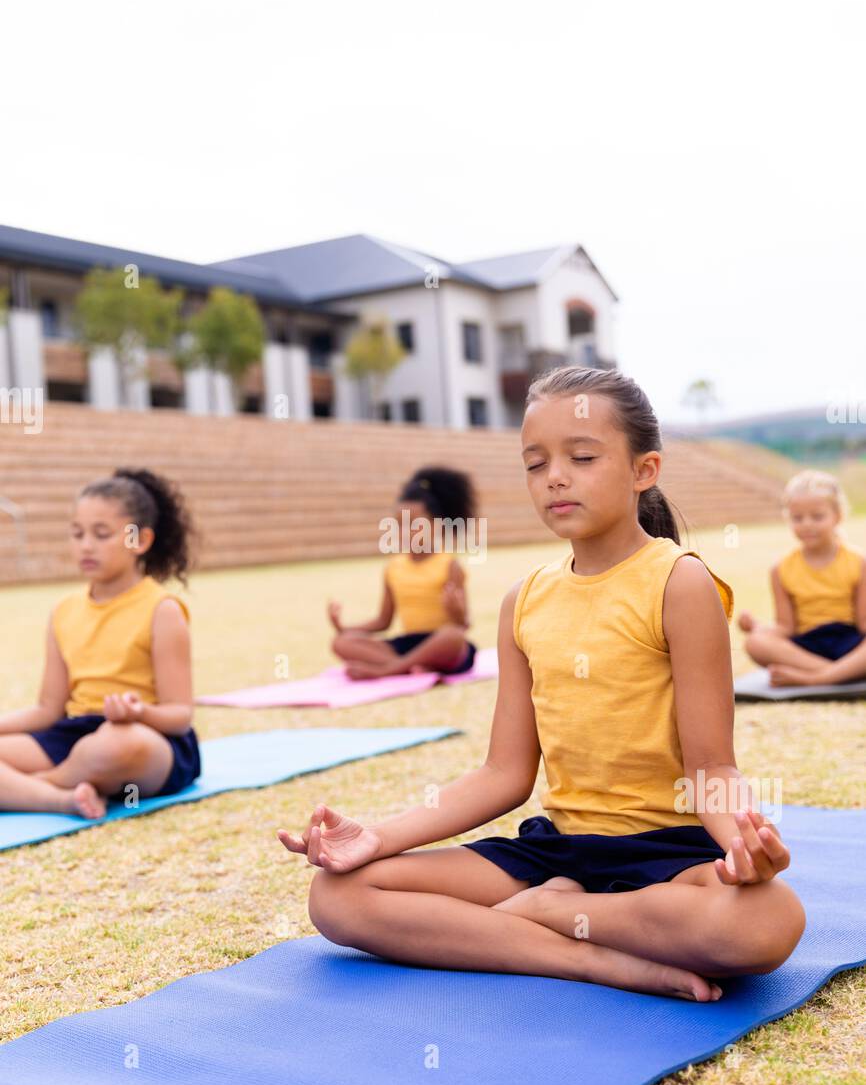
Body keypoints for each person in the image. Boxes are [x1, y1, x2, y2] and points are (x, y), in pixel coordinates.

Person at [280, 366, 806, 1002]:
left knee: (767, 922)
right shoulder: (523, 600)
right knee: (338, 895)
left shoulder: (680, 582)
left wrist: (742, 842)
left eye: (582, 457)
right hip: (557, 854)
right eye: (535, 463)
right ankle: (587, 958)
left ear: (644, 470)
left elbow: (712, 767)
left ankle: (555, 913)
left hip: (667, 855)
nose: (554, 476)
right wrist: (376, 837)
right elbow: (503, 773)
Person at [0, 468, 200, 819]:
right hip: (75, 734)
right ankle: (63, 799)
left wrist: (138, 713)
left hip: (145, 736)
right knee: (90, 747)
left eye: (101, 534)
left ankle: (31, 787)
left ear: (140, 540)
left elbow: (179, 716)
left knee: (115, 745)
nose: (86, 545)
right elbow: (48, 710)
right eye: (77, 534)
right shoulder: (63, 611)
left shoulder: (162, 610)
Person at [327, 466, 477, 679]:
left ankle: (389, 669)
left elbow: (462, 625)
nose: (406, 532)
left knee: (452, 637)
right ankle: (411, 666)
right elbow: (383, 621)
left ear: (437, 525)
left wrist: (457, 611)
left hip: (440, 643)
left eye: (414, 524)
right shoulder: (393, 568)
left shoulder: (449, 565)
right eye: (399, 524)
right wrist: (344, 628)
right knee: (341, 643)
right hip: (408, 644)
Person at [738, 469, 866, 686]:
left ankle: (817, 678)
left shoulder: (859, 562)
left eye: (817, 516)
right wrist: (757, 628)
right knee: (755, 643)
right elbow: (785, 627)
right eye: (798, 518)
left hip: (849, 642)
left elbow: (863, 624)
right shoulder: (780, 569)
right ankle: (843, 673)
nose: (807, 524)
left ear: (837, 516)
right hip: (806, 647)